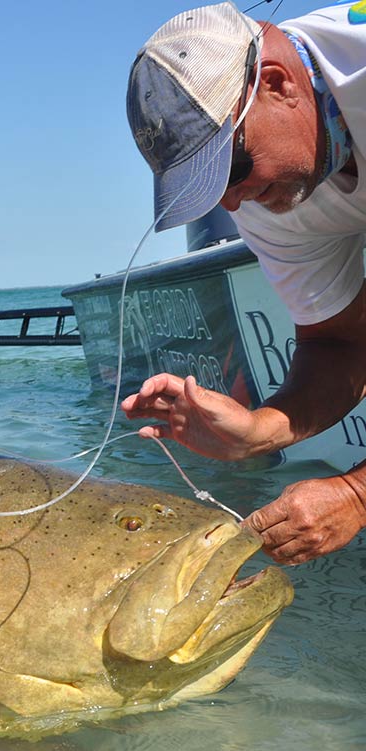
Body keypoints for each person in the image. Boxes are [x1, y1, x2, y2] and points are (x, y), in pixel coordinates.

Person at [123, 2, 366, 565]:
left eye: (230, 170)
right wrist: (260, 431)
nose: (231, 204)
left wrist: (356, 492)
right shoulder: (267, 199)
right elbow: (342, 342)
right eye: (205, 189)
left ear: (277, 84)